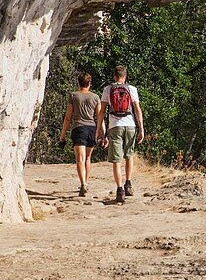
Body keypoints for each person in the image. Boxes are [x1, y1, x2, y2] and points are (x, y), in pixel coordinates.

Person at [96, 66, 145, 204]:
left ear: (114, 76)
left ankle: (119, 190)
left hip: (114, 125)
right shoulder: (131, 89)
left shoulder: (108, 89)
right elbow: (138, 110)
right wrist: (141, 128)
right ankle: (128, 184)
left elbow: (102, 112)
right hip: (130, 125)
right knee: (129, 155)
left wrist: (99, 129)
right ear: (125, 76)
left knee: (116, 159)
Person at [58, 73, 100, 196]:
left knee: (80, 159)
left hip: (79, 128)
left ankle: (83, 184)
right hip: (91, 128)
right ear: (90, 83)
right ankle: (85, 182)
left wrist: (63, 134)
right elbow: (99, 116)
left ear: (79, 82)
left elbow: (68, 117)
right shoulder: (96, 97)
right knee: (88, 158)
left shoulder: (74, 96)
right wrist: (102, 133)